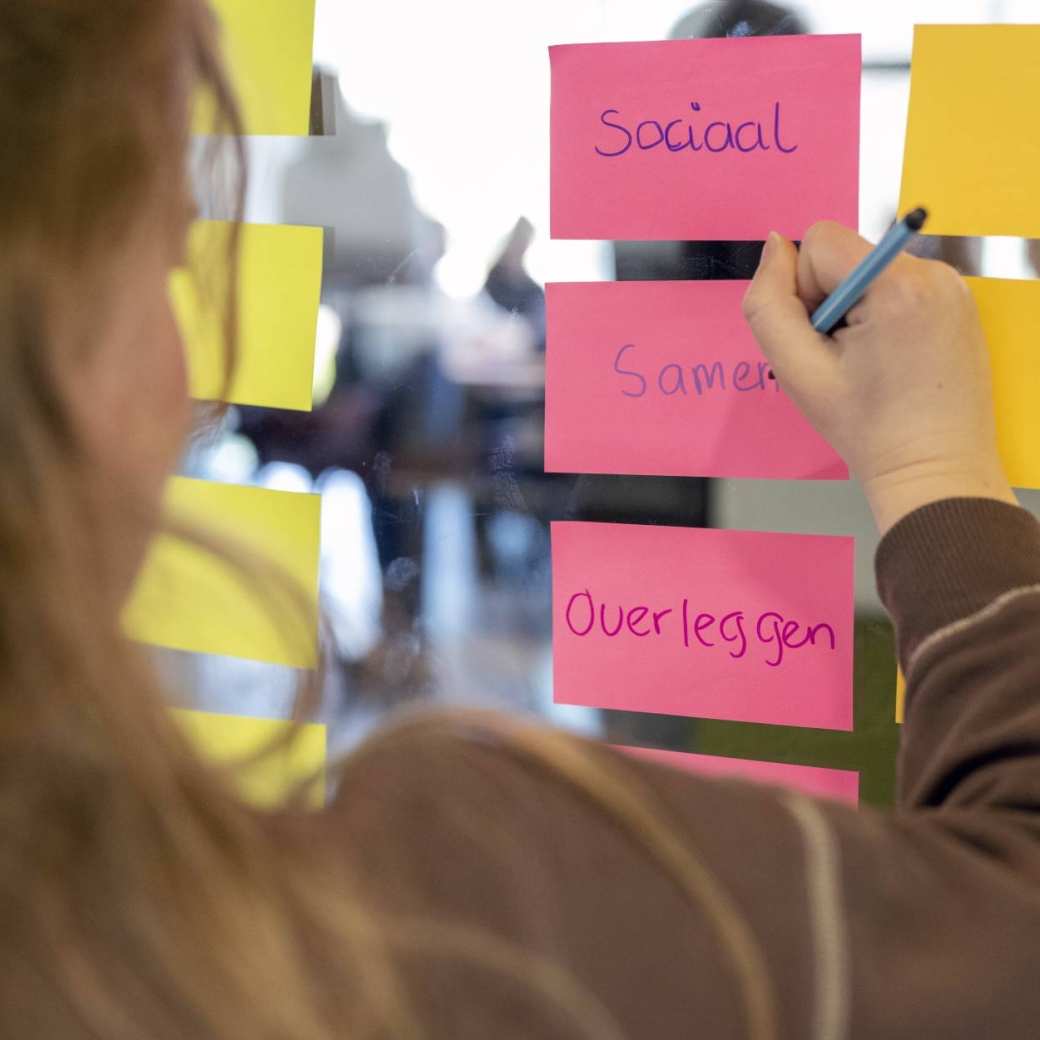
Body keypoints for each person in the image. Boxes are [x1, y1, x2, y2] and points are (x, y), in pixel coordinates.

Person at [2, 3, 1039, 1038]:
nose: (204, 386)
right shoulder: (464, 909)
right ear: (54, 340)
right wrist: (934, 464)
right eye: (177, 255)